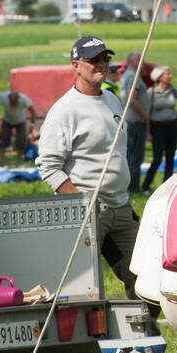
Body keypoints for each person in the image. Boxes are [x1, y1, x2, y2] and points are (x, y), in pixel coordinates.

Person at [37, 35, 140, 296]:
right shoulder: (64, 111)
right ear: (76, 65)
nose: (101, 64)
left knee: (145, 279)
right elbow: (49, 167)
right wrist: (83, 203)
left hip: (121, 207)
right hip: (89, 211)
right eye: (93, 60)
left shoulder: (112, 100)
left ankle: (146, 334)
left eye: (105, 58)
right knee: (87, 289)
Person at [143, 66, 177, 192]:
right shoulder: (151, 92)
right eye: (167, 74)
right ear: (159, 77)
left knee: (170, 157)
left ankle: (166, 187)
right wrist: (147, 132)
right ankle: (146, 186)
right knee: (157, 157)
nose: (170, 76)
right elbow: (147, 113)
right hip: (157, 127)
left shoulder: (172, 90)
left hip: (172, 126)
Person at [119, 51, 150, 194]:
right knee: (135, 156)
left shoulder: (125, 75)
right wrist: (144, 116)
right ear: (133, 62)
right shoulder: (134, 76)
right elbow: (132, 99)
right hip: (136, 120)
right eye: (140, 60)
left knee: (129, 154)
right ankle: (133, 188)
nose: (142, 63)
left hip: (128, 120)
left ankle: (128, 186)